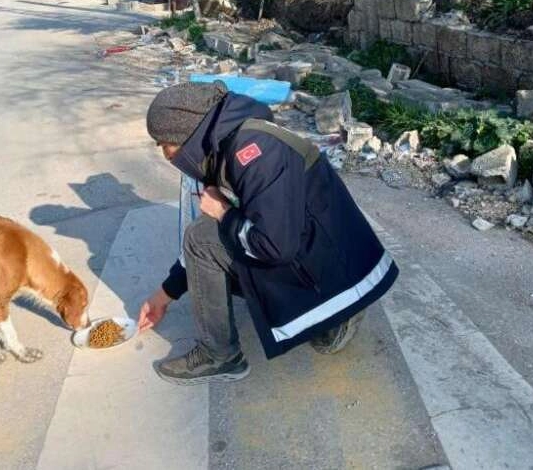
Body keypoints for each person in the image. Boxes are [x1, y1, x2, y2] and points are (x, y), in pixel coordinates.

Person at [137, 81, 398, 385]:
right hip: (313, 249)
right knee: (207, 234)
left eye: (164, 143)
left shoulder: (252, 151)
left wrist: (223, 212)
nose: (164, 153)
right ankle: (324, 313)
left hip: (336, 272)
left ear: (186, 134)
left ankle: (224, 355)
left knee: (204, 236)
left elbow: (275, 246)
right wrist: (161, 297)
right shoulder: (224, 143)